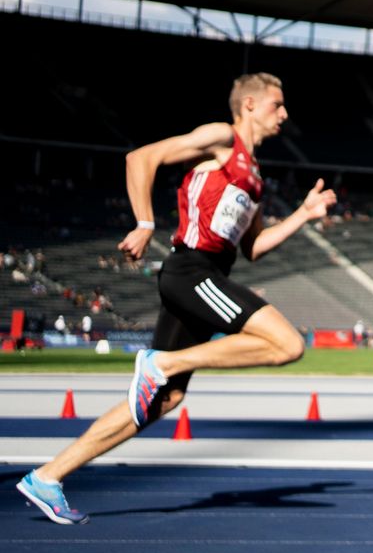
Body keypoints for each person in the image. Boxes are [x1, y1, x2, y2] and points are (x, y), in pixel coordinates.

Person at [14, 74, 336, 525]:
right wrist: (145, 222)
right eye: (277, 105)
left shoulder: (255, 175)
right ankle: (160, 363)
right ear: (248, 104)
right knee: (288, 344)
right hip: (191, 271)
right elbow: (141, 158)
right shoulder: (222, 139)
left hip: (207, 279)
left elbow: (255, 248)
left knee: (163, 401)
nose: (284, 114)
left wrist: (303, 213)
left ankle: (48, 476)